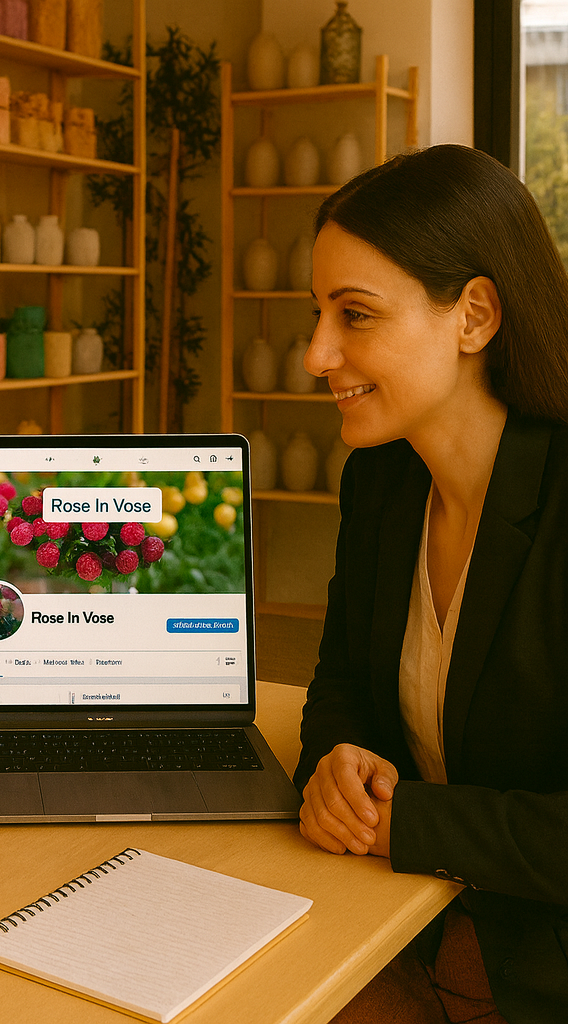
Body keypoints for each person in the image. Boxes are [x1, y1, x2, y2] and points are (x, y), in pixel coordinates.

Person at [294, 144, 568, 1024]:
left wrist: (402, 823)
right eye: (318, 313)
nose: (316, 354)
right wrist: (335, 765)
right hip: (408, 922)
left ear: (475, 316)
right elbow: (338, 689)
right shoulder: (383, 480)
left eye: (356, 315)